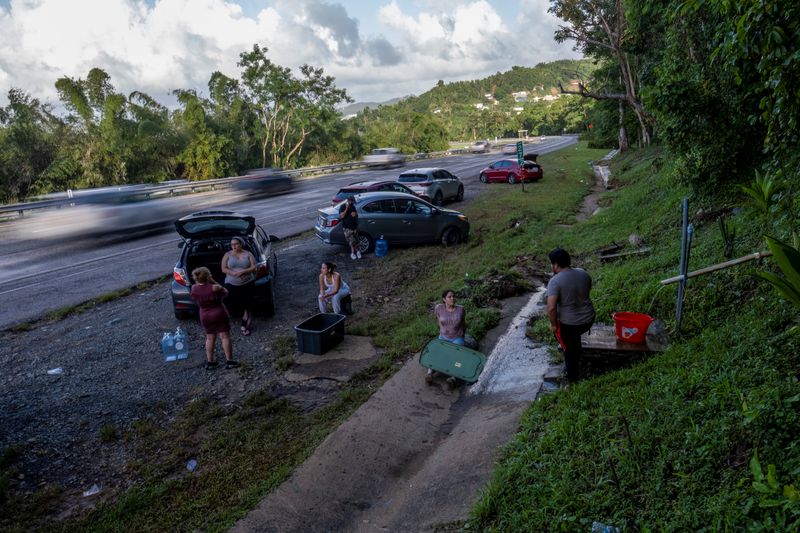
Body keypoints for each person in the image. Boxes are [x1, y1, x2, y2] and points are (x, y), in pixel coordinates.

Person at [546, 248, 595, 382]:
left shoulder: (555, 281)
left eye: (552, 264)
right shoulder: (583, 273)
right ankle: (577, 349)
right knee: (573, 340)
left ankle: (573, 379)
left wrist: (554, 325)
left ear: (556, 264)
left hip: (570, 325)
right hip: (589, 319)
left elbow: (551, 308)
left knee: (568, 351)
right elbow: (587, 290)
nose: (551, 266)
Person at [190, 267, 238, 370]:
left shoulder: (194, 288)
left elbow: (194, 298)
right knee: (225, 336)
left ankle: (210, 362)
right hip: (218, 313)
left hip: (204, 315)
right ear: (208, 276)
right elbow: (225, 292)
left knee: (210, 338)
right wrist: (213, 281)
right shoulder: (214, 287)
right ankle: (230, 361)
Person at [427, 288, 466, 386]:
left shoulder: (460, 309)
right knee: (435, 353)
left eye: (453, 296)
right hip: (443, 337)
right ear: (444, 299)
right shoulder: (439, 308)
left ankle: (453, 377)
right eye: (449, 297)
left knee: (457, 357)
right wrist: (442, 331)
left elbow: (463, 323)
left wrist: (462, 337)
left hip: (457, 338)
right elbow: (439, 320)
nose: (452, 298)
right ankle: (429, 374)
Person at [221, 236, 257, 336]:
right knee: (232, 299)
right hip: (231, 282)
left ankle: (245, 319)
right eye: (232, 244)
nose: (234, 246)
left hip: (247, 282)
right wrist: (234, 273)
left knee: (247, 301)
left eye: (236, 244)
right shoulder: (227, 255)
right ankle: (243, 315)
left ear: (241, 244)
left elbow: (254, 266)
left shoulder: (248, 254)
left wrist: (244, 271)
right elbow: (223, 268)